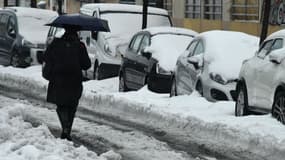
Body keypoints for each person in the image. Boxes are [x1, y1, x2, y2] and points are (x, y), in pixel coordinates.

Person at [42, 27, 91, 141]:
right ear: (76, 33)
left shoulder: (55, 43)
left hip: (58, 79)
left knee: (61, 105)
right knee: (72, 106)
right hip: (74, 81)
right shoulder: (80, 46)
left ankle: (65, 128)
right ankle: (67, 129)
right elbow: (87, 64)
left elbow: (46, 57)